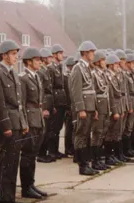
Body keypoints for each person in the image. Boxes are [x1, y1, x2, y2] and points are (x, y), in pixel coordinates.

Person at [0, 40, 29, 203]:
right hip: (9, 123)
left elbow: (20, 101)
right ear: (4, 55)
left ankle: (9, 197)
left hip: (17, 121)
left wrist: (23, 122)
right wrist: (5, 126)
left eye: (16, 54)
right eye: (13, 54)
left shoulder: (14, 73)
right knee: (6, 161)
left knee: (13, 161)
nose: (15, 57)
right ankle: (2, 198)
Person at [19, 47, 49, 199]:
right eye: (37, 60)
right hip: (30, 120)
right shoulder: (23, 78)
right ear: (29, 62)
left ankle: (31, 184)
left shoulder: (36, 77)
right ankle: (26, 187)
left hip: (38, 119)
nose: (40, 62)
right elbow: (22, 104)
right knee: (27, 155)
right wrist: (24, 123)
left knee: (33, 154)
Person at [69, 41, 98, 175]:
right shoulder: (78, 68)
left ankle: (86, 163)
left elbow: (92, 90)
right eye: (91, 51)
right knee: (81, 135)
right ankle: (82, 165)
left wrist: (95, 108)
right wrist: (80, 109)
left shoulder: (87, 67)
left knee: (86, 135)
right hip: (84, 107)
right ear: (85, 53)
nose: (93, 54)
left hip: (90, 106)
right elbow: (76, 90)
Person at [91, 50, 110, 171]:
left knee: (102, 133)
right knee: (97, 133)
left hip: (105, 105)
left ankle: (99, 159)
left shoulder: (102, 73)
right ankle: (95, 160)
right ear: (98, 62)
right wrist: (95, 109)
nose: (105, 62)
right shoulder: (94, 74)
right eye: (103, 60)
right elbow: (93, 92)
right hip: (98, 105)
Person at [47, 44, 67, 159]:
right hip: (56, 101)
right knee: (53, 128)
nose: (62, 56)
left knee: (58, 127)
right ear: (54, 54)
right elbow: (49, 87)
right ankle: (52, 151)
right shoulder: (51, 68)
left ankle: (55, 150)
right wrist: (52, 104)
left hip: (61, 100)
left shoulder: (59, 67)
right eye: (60, 53)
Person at [36, 48, 55, 163]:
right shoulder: (40, 72)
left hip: (49, 103)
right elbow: (41, 91)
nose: (50, 59)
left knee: (48, 130)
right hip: (45, 105)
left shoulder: (45, 70)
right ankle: (41, 154)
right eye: (48, 57)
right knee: (44, 131)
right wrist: (43, 108)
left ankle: (45, 152)